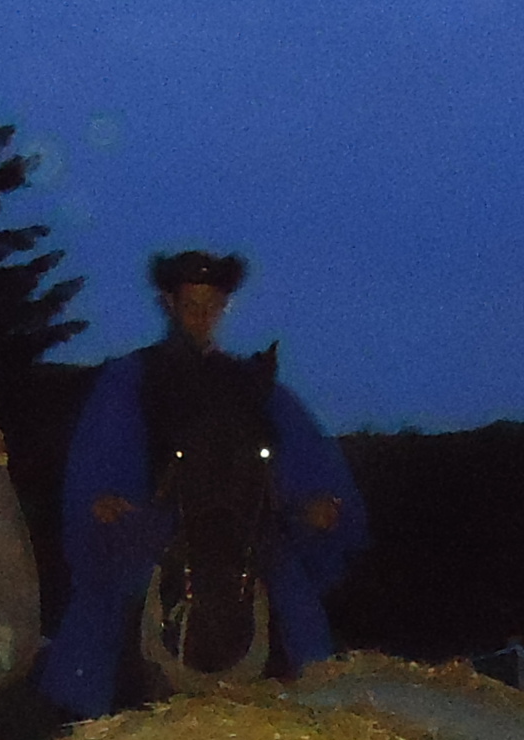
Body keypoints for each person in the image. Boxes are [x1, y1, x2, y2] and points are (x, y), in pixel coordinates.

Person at [38, 248, 365, 716]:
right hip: (160, 518)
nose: (200, 316)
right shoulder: (134, 377)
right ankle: (81, 715)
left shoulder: (248, 383)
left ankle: (319, 707)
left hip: (243, 525)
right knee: (108, 601)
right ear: (170, 305)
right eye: (191, 305)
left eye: (210, 306)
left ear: (224, 307)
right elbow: (105, 452)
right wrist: (103, 498)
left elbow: (292, 450)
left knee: (295, 599)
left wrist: (313, 501)